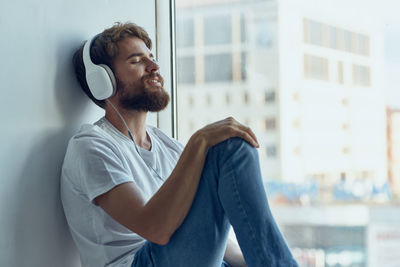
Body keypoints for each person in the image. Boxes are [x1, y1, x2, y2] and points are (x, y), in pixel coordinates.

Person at [60, 22, 298, 267]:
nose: (154, 67)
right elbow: (154, 228)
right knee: (227, 147)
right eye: (136, 60)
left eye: (151, 58)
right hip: (138, 262)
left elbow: (208, 236)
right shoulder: (91, 146)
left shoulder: (168, 147)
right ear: (104, 81)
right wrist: (200, 140)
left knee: (233, 143)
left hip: (185, 258)